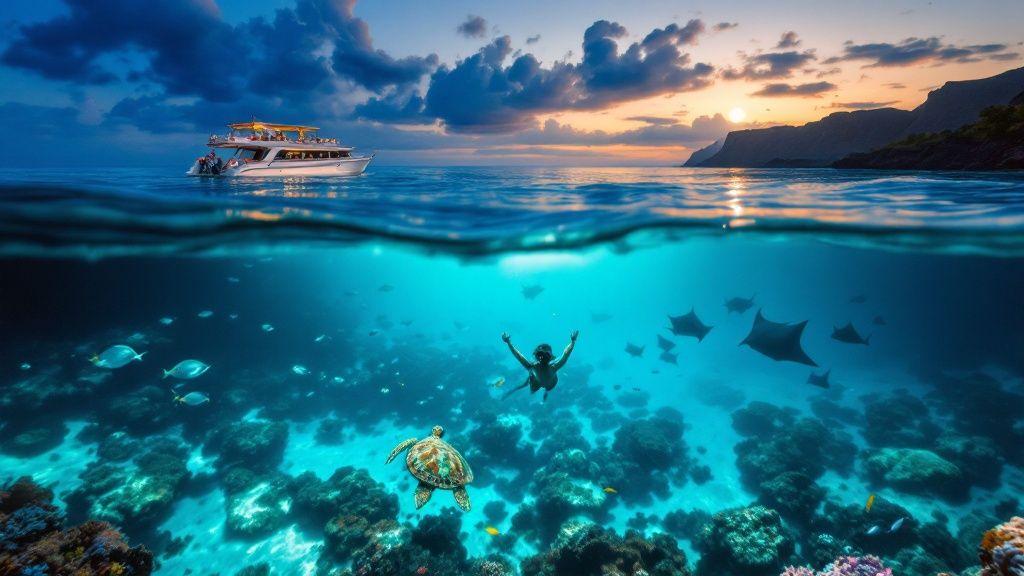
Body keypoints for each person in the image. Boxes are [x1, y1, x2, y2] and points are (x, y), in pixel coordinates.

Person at [501, 330, 578, 402]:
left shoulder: (536, 366)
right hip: (544, 383)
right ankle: (543, 394)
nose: (542, 358)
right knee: (528, 386)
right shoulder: (551, 367)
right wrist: (572, 342)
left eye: (546, 355)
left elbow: (518, 356)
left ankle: (544, 394)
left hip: (545, 384)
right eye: (540, 354)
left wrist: (509, 343)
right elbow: (565, 355)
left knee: (527, 385)